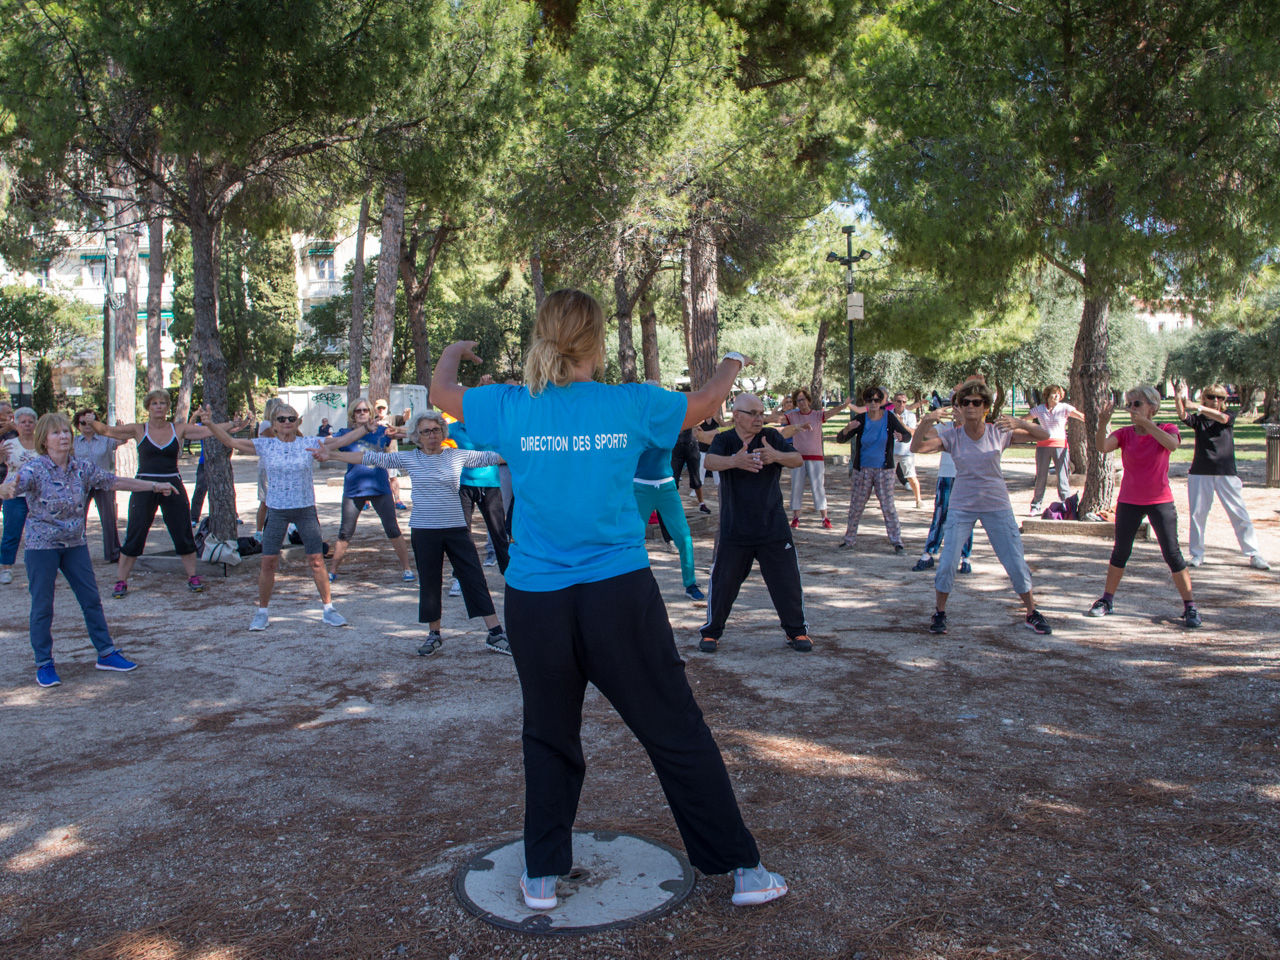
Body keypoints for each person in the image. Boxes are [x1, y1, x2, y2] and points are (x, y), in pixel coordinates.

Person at [433, 289, 787, 912]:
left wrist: (451, 353)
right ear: (597, 340)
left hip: (536, 599)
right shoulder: (632, 401)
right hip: (617, 593)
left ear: (543, 336)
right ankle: (743, 871)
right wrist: (731, 360)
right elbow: (707, 402)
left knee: (548, 734)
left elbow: (441, 395)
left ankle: (541, 876)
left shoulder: (510, 404)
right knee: (674, 727)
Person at [1, 413, 177, 686]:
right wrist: (6, 488)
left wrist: (155, 485)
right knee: (43, 607)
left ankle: (106, 653)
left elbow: (115, 481)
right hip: (42, 548)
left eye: (65, 432)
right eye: (56, 433)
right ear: (44, 441)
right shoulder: (34, 469)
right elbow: (12, 487)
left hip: (75, 545)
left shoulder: (81, 468)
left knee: (91, 600)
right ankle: (44, 664)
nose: (63, 436)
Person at [320, 410, 510, 656]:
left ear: (443, 432)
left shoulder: (457, 456)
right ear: (416, 436)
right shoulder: (410, 458)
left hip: (456, 530)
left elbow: (494, 457)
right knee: (430, 582)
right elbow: (370, 457)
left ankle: (495, 632)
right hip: (424, 530)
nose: (431, 435)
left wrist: (533, 449)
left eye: (436, 430)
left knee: (474, 578)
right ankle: (434, 634)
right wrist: (332, 454)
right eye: (425, 431)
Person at [199, 403, 363, 630]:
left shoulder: (308, 443)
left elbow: (341, 442)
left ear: (297, 423)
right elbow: (231, 442)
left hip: (305, 509)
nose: (287, 422)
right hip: (276, 511)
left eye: (291, 418)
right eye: (282, 419)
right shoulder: (266, 445)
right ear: (274, 425)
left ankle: (328, 609)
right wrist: (209, 424)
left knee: (316, 560)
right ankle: (262, 612)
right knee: (268, 562)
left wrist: (366, 429)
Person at [910, 379, 1054, 635]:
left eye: (976, 402)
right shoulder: (952, 436)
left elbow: (1045, 435)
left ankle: (1032, 612)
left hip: (996, 505)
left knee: (1014, 560)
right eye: (964, 402)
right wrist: (927, 420)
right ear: (959, 407)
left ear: (986, 406)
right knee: (948, 561)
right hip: (962, 505)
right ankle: (939, 613)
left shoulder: (999, 431)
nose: (970, 406)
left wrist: (1020, 422)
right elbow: (916, 447)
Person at [699, 392, 809, 653]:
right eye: (754, 414)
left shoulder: (770, 437)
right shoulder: (725, 439)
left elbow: (797, 460)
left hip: (773, 527)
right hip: (734, 529)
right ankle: (711, 632)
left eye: (762, 413)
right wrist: (735, 461)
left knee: (787, 582)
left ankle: (796, 632)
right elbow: (709, 461)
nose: (760, 418)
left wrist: (776, 456)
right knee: (724, 583)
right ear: (736, 416)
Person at [1087, 386, 1201, 627]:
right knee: (1120, 551)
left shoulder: (1167, 429)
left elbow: (1172, 445)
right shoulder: (1125, 433)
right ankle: (1106, 600)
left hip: (1160, 501)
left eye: (1136, 404)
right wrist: (1102, 423)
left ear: (1152, 407)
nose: (1131, 409)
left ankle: (1190, 607)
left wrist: (1148, 425)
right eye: (1129, 404)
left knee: (1172, 554)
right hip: (1129, 501)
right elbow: (1102, 447)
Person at [82, 389, 214, 598]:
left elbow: (210, 432)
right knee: (136, 532)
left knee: (182, 530)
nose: (159, 406)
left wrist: (236, 425)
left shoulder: (177, 428)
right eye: (154, 403)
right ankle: (121, 580)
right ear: (148, 407)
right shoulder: (138, 429)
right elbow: (107, 431)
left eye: (162, 403)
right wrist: (91, 422)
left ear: (168, 407)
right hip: (144, 483)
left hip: (172, 483)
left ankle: (192, 576)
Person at [1175, 384, 1270, 570]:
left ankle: (1253, 553)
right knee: (1197, 515)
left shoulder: (1229, 415)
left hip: (1226, 472)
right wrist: (1179, 397)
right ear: (1205, 397)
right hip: (1200, 471)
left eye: (1220, 398)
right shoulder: (1199, 420)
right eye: (1211, 397)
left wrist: (1199, 407)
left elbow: (1223, 418)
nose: (1216, 401)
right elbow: (1182, 415)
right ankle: (1196, 554)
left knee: (1239, 513)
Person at [326, 399, 414, 583]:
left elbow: (410, 434)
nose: (362, 413)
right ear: (352, 414)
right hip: (354, 488)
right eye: (358, 411)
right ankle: (332, 570)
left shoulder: (382, 431)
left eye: (366, 410)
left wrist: (399, 428)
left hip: (380, 486)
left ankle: (406, 568)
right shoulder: (344, 434)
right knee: (345, 531)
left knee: (392, 528)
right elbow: (328, 445)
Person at [633, 417, 707, 603]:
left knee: (684, 537)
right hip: (641, 488)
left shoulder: (668, 423)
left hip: (667, 488)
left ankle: (690, 584)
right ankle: (632, 584)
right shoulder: (635, 423)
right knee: (633, 539)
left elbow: (699, 416)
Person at [835, 386, 913, 554]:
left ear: (882, 402)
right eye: (869, 400)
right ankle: (849, 540)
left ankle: (897, 542)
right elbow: (840, 439)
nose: (873, 403)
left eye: (877, 400)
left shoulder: (889, 418)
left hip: (884, 470)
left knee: (888, 507)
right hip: (862, 470)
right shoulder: (861, 419)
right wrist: (848, 429)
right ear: (865, 402)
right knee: (856, 506)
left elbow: (907, 435)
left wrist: (901, 437)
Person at [912, 410, 975, 574]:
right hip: (947, 475)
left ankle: (965, 558)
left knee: (966, 516)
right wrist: (927, 420)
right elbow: (924, 437)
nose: (960, 410)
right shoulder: (944, 427)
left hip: (966, 477)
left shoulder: (973, 429)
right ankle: (929, 553)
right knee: (940, 515)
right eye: (957, 405)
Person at [782, 388, 851, 529]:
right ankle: (796, 517)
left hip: (816, 456)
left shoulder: (817, 415)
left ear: (808, 400)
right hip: (798, 457)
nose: (801, 403)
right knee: (796, 486)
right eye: (798, 400)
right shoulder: (793, 416)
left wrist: (843, 406)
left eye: (803, 399)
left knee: (818, 487)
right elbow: (776, 418)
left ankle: (824, 517)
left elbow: (831, 413)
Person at [450, 417, 511, 574]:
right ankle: (459, 576)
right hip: (465, 484)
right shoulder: (456, 428)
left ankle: (509, 574)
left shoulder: (490, 425)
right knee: (462, 532)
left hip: (490, 484)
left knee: (498, 532)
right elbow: (432, 431)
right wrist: (400, 432)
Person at [72, 410, 121, 563]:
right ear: (77, 425)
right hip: (80, 484)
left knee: (108, 518)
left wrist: (118, 430)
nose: (87, 425)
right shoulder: (73, 442)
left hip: (103, 483)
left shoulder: (105, 439)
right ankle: (76, 553)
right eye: (83, 422)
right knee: (77, 519)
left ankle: (113, 553)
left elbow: (122, 440)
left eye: (90, 422)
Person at [1026, 384, 1084, 515]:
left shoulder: (1064, 408)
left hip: (1060, 446)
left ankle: (1067, 506)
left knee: (1062, 477)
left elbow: (1081, 416)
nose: (1056, 395)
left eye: (1059, 393)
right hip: (1043, 446)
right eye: (1053, 393)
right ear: (1047, 395)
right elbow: (1023, 419)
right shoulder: (1040, 409)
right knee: (1041, 477)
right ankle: (1035, 506)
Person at [1, 407, 41, 583]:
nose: (27, 425)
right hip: (15, 494)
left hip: (39, 494)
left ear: (35, 424)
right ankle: (6, 568)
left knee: (41, 532)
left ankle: (41, 566)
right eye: (23, 422)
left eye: (30, 422)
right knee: (12, 532)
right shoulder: (8, 444)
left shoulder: (42, 444)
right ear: (16, 424)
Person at [373, 399, 411, 509]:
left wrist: (407, 412)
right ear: (375, 409)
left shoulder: (393, 418)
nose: (381, 410)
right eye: (379, 408)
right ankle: (368, 500)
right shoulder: (372, 421)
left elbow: (405, 418)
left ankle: (397, 499)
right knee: (373, 477)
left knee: (393, 477)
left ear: (387, 409)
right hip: (376, 454)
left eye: (383, 408)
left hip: (391, 454)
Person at [891, 391, 925, 509]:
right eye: (899, 401)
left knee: (911, 476)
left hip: (906, 451)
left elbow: (912, 432)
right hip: (891, 451)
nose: (901, 404)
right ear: (894, 402)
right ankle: (888, 501)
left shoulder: (910, 415)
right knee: (889, 478)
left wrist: (901, 423)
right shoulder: (888, 414)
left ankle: (918, 499)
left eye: (904, 402)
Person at [670, 423, 709, 512]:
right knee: (673, 478)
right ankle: (673, 505)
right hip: (677, 446)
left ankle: (701, 504)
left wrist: (696, 425)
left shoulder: (690, 411)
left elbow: (700, 419)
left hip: (691, 445)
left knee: (695, 477)